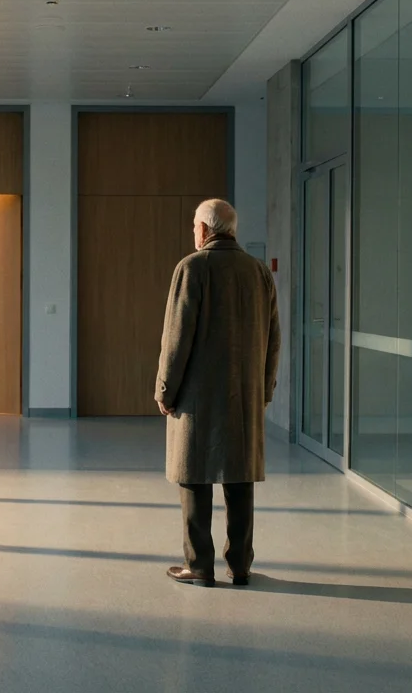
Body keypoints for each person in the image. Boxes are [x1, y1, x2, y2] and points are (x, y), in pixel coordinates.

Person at [155, 199, 281, 588]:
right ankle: (240, 565)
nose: (193, 231)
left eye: (195, 225)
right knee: (239, 478)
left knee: (194, 476)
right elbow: (273, 339)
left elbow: (176, 338)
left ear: (205, 230)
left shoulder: (192, 268)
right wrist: (264, 389)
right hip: (244, 395)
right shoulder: (259, 272)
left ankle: (199, 566)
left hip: (198, 396)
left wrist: (165, 390)